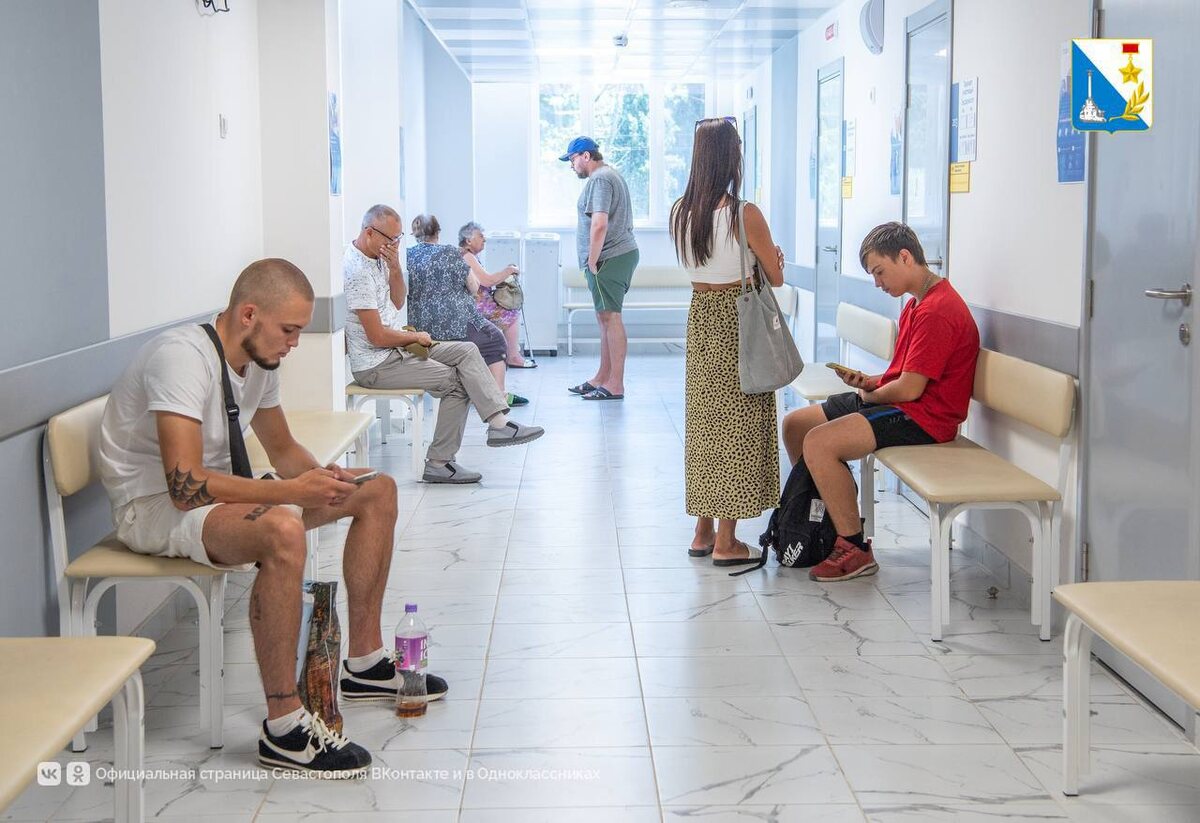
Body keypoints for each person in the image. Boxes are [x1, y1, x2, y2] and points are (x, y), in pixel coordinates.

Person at [98, 258, 448, 778]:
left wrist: (321, 478)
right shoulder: (180, 358)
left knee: (375, 490)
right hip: (152, 508)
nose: (295, 343)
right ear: (248, 315)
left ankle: (365, 664)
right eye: (289, 330)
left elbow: (282, 450)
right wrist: (289, 494)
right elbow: (183, 485)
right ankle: (284, 727)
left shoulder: (259, 362)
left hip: (218, 495)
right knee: (282, 529)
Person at [781, 222, 980, 582]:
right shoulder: (916, 304)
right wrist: (870, 383)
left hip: (925, 419)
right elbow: (903, 376)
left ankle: (854, 547)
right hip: (902, 404)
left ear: (905, 257)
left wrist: (870, 394)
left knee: (820, 442)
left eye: (879, 271)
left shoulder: (937, 310)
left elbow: (910, 390)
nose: (877, 283)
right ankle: (824, 517)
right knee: (796, 425)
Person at [345, 205, 544, 485]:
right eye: (391, 240)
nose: (395, 245)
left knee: (468, 350)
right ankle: (439, 462)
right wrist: (414, 337)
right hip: (377, 364)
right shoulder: (357, 272)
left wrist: (394, 267)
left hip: (396, 349)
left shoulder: (379, 257)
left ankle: (499, 423)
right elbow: (377, 336)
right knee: (457, 382)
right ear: (369, 233)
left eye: (399, 239)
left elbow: (398, 301)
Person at [670, 117, 786, 566]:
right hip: (739, 321)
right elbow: (774, 276)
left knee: (705, 427)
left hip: (701, 318)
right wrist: (773, 260)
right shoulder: (745, 213)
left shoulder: (681, 212)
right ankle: (727, 541)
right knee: (738, 427)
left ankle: (702, 532)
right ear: (730, 156)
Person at [407, 215, 528, 407]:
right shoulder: (452, 253)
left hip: (417, 328)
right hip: (452, 324)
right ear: (438, 233)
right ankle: (498, 396)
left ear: (414, 234)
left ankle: (480, 389)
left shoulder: (406, 255)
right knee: (495, 340)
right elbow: (474, 286)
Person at [561, 136, 639, 400]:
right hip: (613, 256)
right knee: (604, 318)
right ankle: (602, 377)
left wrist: (593, 259)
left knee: (611, 317)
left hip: (609, 257)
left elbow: (600, 223)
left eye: (572, 159)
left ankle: (615, 384)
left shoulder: (600, 179)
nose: (571, 165)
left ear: (585, 156)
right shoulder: (607, 176)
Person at [458, 221, 535, 371]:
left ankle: (510, 353)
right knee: (511, 314)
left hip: (476, 301)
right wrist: (508, 270)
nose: (484, 240)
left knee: (510, 311)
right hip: (475, 304)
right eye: (481, 236)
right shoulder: (467, 256)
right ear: (468, 240)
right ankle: (513, 356)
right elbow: (487, 281)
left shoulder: (468, 255)